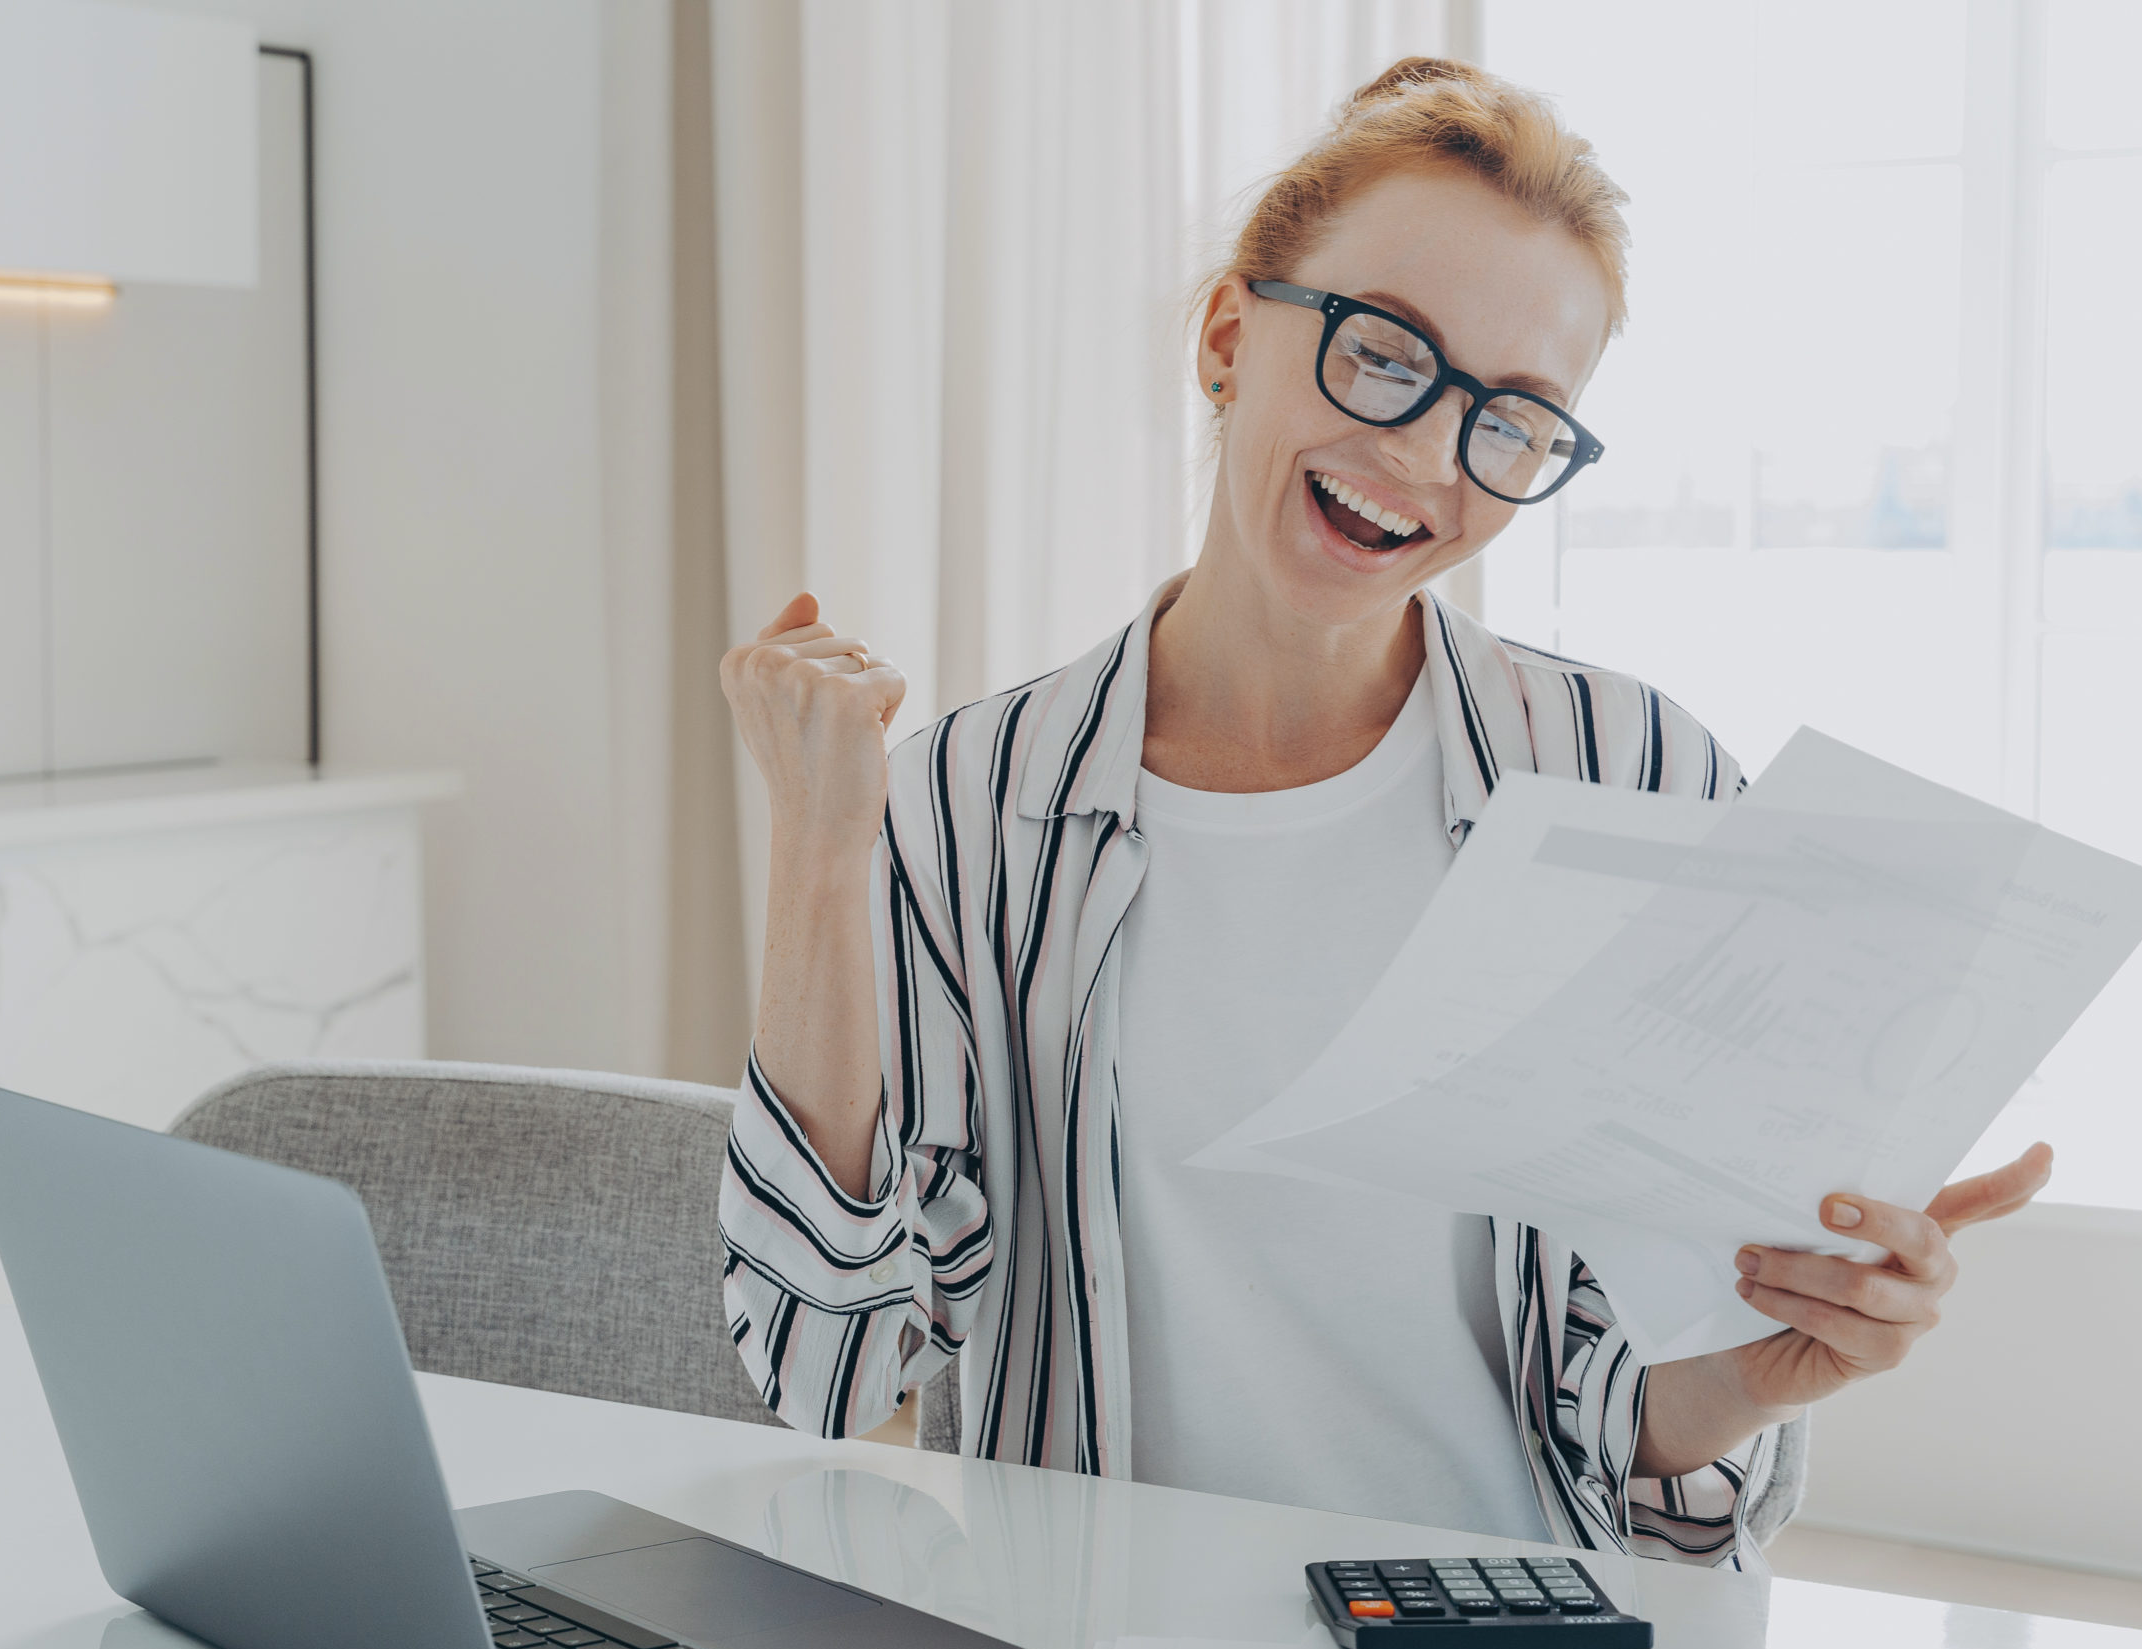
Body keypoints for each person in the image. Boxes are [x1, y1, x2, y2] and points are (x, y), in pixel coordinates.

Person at [716, 57, 2047, 1570]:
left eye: (1515, 420)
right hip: (1099, 1642)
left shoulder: (1636, 775)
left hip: (1518, 1643)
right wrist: (826, 850)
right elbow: (824, 1367)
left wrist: (1754, 1377)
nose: (1424, 456)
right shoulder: (975, 800)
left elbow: (1631, 1422)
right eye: (1384, 354)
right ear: (1230, 337)